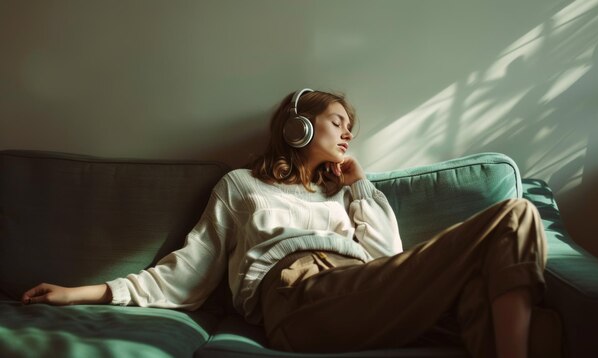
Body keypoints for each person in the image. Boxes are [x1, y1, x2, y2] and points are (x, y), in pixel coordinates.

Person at [22, 89, 547, 358]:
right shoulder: (241, 186)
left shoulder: (340, 195)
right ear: (298, 125)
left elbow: (388, 257)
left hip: (360, 292)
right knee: (516, 217)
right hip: (300, 296)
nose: (347, 135)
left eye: (350, 128)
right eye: (338, 121)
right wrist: (83, 292)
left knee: (487, 296)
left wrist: (359, 186)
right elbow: (185, 271)